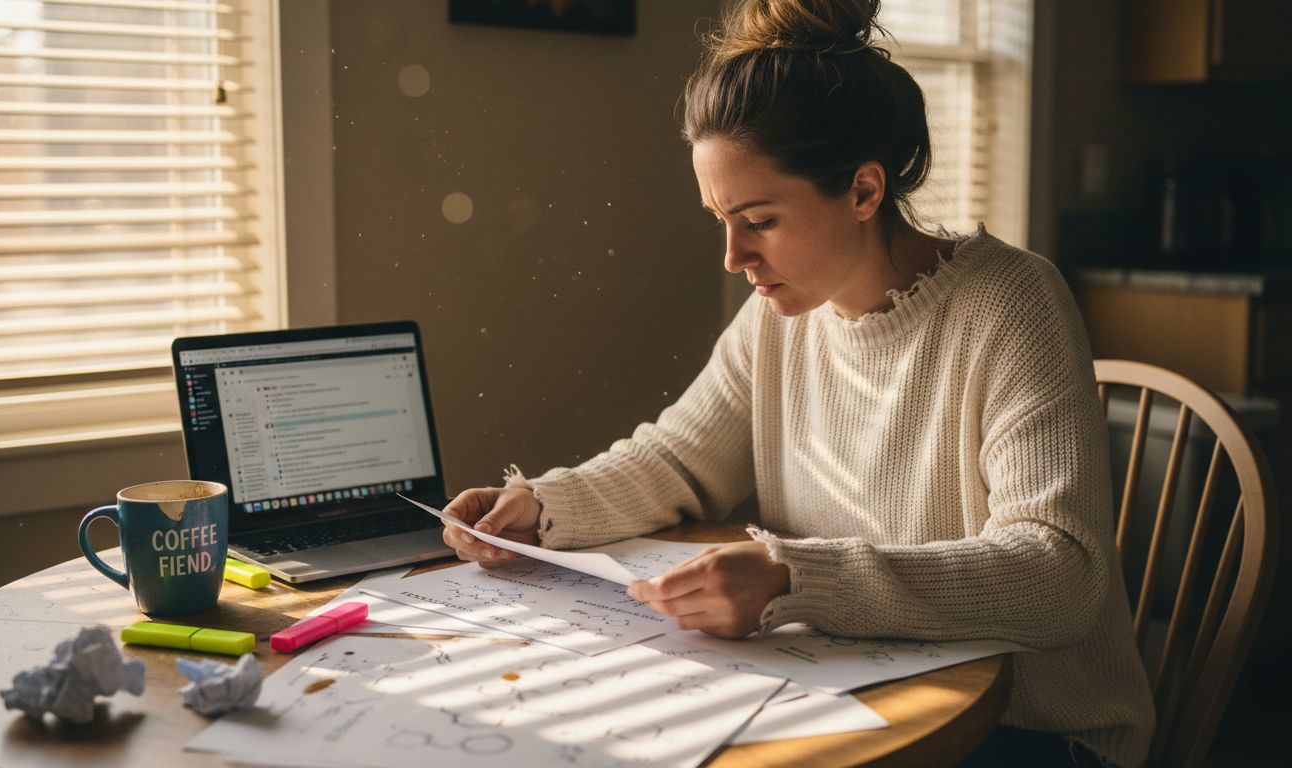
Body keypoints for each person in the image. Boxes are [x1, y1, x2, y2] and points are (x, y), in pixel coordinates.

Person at [441, 0, 1154, 765]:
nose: (733, 255)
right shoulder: (778, 317)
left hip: (1029, 727)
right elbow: (676, 460)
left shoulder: (1011, 303)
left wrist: (797, 577)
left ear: (863, 192)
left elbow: (1062, 572)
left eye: (759, 220)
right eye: (720, 218)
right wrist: (544, 506)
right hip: (848, 687)